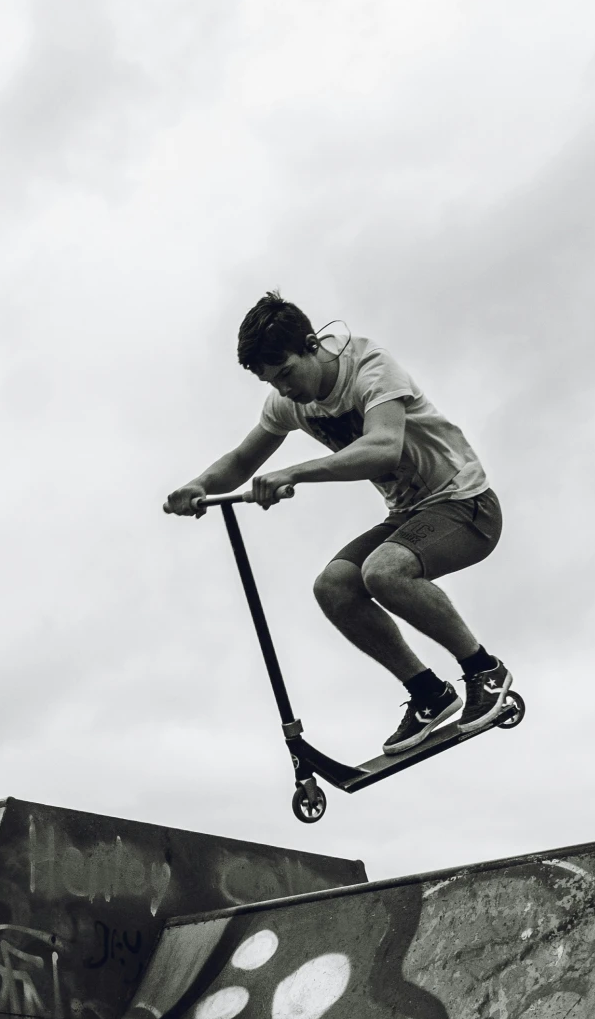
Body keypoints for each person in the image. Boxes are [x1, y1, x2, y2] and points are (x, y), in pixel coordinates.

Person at [165, 293, 513, 755]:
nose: (284, 390)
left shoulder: (370, 367)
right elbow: (244, 458)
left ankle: (484, 670)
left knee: (384, 572)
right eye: (273, 382)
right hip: (410, 514)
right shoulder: (288, 402)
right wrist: (199, 485)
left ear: (311, 345)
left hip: (467, 504)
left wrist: (296, 472)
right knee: (334, 587)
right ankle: (430, 693)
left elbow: (384, 446)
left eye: (286, 373)